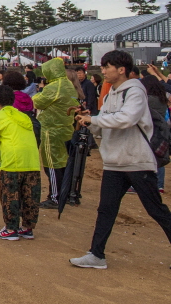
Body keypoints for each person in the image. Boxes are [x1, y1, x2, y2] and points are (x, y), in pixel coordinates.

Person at [70, 50, 171, 269]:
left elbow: (128, 118)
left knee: (156, 210)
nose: (103, 71)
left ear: (121, 69)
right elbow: (105, 123)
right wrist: (90, 120)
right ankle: (96, 254)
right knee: (106, 209)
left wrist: (95, 119)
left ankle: (96, 254)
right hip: (114, 162)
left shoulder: (135, 91)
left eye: (107, 67)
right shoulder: (109, 95)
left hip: (137, 161)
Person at [0, 85, 41, 240]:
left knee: (11, 195)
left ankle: (11, 229)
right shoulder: (24, 116)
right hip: (32, 160)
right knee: (30, 195)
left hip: (12, 161)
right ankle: (27, 227)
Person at [34, 58, 77, 209]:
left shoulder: (54, 87)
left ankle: (55, 196)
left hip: (52, 131)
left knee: (51, 165)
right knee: (63, 163)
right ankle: (64, 193)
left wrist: (39, 92)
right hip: (66, 129)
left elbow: (38, 102)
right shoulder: (68, 85)